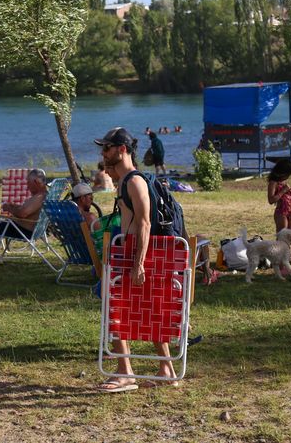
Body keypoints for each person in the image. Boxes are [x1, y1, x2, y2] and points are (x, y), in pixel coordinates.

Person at [94, 127, 177, 392]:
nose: (102, 153)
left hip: (135, 253)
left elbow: (144, 223)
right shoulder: (125, 181)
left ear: (122, 150)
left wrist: (139, 263)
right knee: (144, 310)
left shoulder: (134, 181)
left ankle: (125, 374)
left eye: (106, 148)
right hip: (129, 251)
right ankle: (166, 369)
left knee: (115, 309)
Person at [0, 168, 47, 265]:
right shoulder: (44, 195)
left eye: (28, 183)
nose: (27, 186)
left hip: (22, 230)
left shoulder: (39, 197)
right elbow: (27, 211)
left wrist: (9, 208)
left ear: (35, 182)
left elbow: (22, 214)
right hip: (30, 228)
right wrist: (16, 207)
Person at [267, 159, 291, 232]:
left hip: (290, 212)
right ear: (281, 172)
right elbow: (271, 200)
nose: (288, 177)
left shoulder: (284, 181)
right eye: (287, 174)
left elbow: (285, 196)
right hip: (281, 213)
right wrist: (283, 191)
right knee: (282, 236)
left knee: (289, 236)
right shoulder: (273, 183)